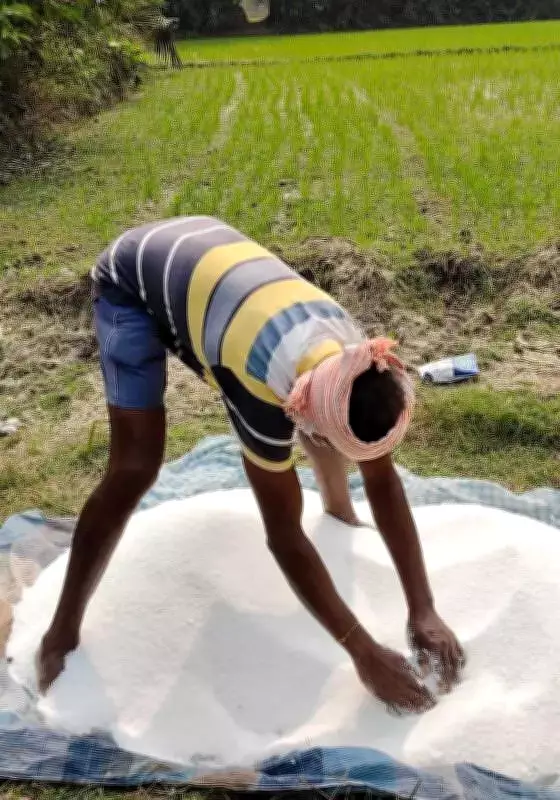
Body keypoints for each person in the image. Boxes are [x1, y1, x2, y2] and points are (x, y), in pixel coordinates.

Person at [37, 215, 465, 712]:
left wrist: (423, 608)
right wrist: (363, 652)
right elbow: (283, 536)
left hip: (212, 262)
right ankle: (59, 634)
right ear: (303, 414)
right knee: (135, 466)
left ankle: (338, 511)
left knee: (340, 439)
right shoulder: (257, 386)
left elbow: (382, 478)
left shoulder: (361, 364)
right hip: (134, 277)